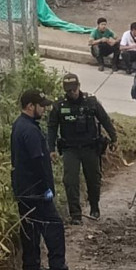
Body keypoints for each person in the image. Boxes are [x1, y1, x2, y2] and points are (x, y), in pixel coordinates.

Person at [11, 90, 79, 270]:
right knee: (53, 226)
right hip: (36, 190)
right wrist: (46, 187)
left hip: (24, 188)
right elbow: (37, 161)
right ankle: (58, 269)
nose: (44, 108)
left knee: (30, 228)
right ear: (30, 106)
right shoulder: (30, 130)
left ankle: (30, 268)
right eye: (41, 105)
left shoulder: (20, 125)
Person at [48, 74, 117, 224]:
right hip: (70, 149)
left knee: (94, 179)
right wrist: (51, 148)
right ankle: (75, 215)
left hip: (90, 147)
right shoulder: (59, 105)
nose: (71, 93)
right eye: (68, 91)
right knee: (70, 181)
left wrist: (114, 138)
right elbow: (52, 127)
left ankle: (94, 206)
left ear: (79, 86)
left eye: (73, 89)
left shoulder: (91, 102)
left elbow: (105, 120)